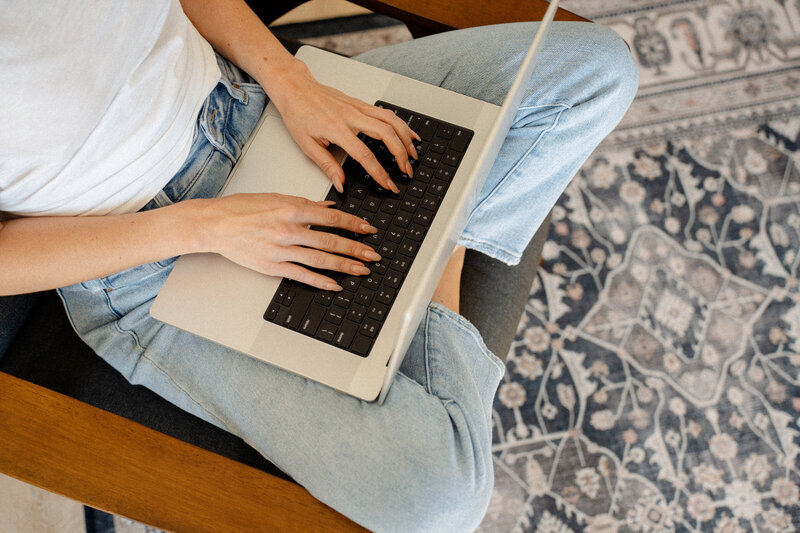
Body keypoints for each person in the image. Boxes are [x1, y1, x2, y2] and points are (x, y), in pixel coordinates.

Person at [0, 0, 638, 530]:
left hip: (252, 106)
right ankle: (437, 242)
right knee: (438, 500)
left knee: (595, 69)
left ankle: (429, 244)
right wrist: (201, 227)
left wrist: (293, 84)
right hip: (145, 259)